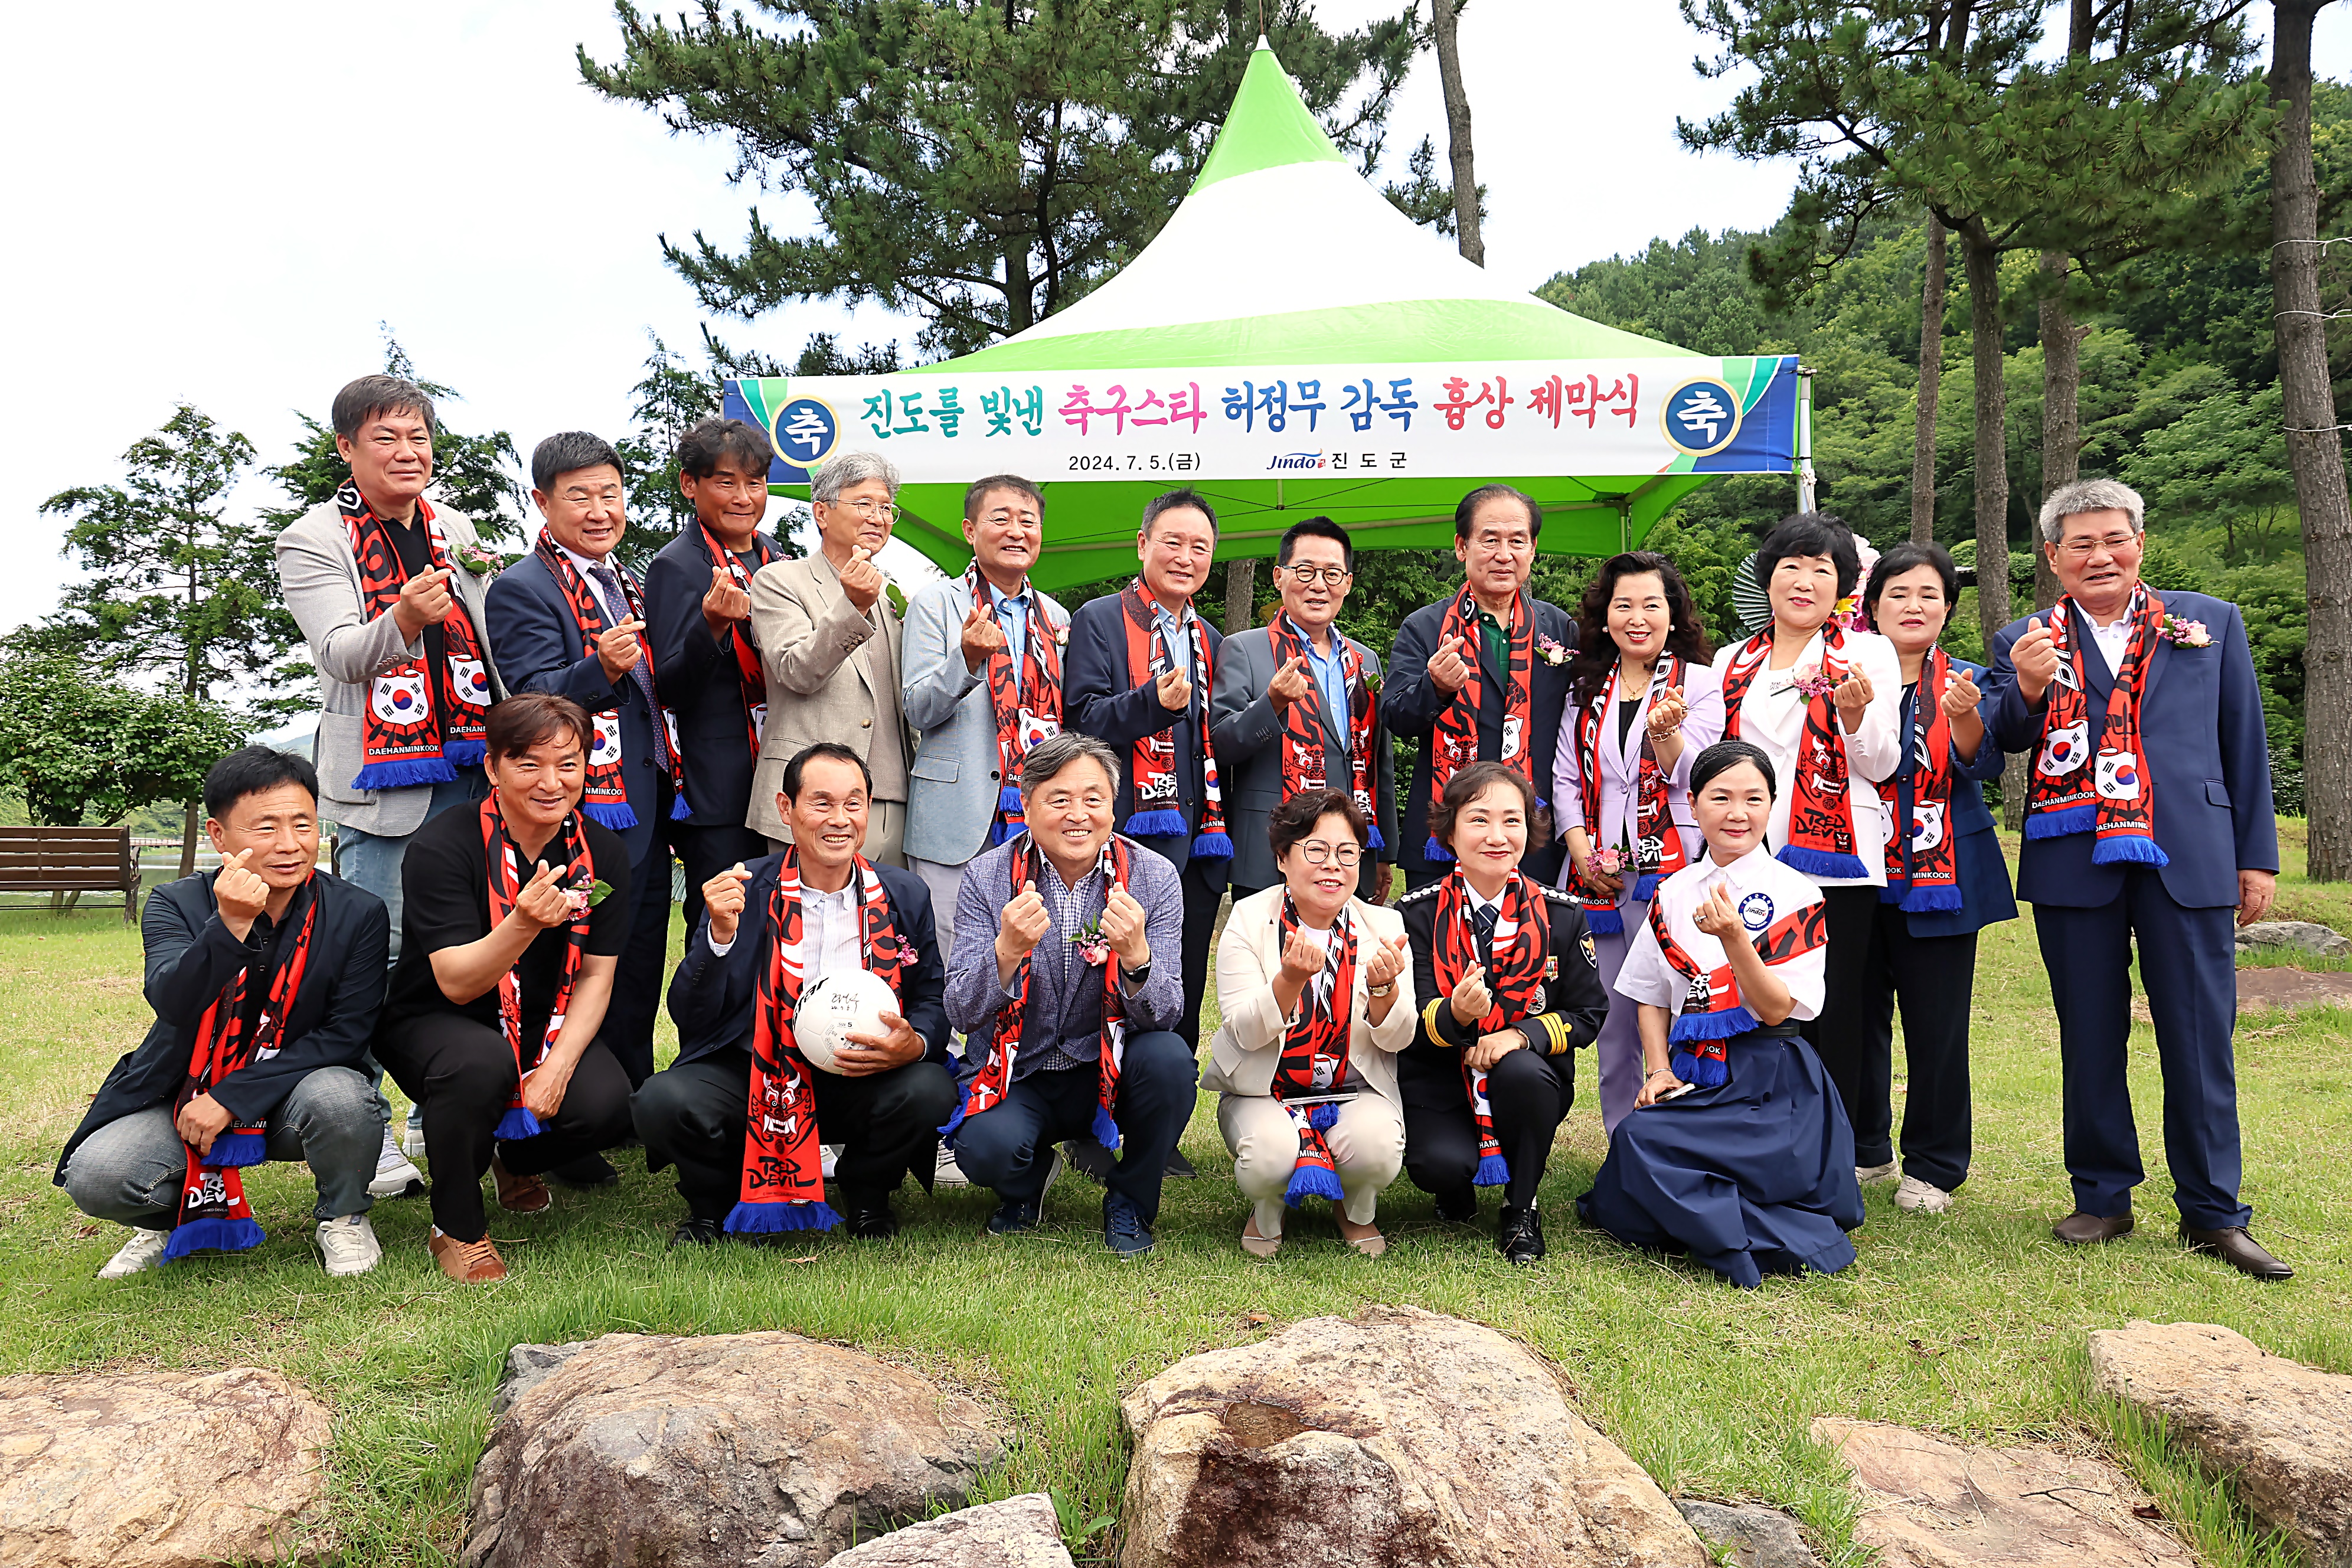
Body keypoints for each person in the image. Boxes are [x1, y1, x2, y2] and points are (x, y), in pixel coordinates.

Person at [1982, 478, 2288, 1279]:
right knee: (2090, 1033)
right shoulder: (2026, 636)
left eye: (2113, 538)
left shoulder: (2208, 623)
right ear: (2052, 558)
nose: (2100, 555)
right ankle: (2102, 1195)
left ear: (2140, 543)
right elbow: (2004, 740)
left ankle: (2214, 1212)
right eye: (2079, 544)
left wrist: (2256, 855)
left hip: (2190, 850)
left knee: (2199, 1036)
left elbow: (2243, 739)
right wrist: (2024, 685)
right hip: (2070, 855)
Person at [275, 372, 506, 1197]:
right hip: (383, 786)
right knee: (376, 956)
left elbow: (488, 639)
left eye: (418, 438)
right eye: (386, 439)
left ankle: (442, 1111)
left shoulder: (456, 525)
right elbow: (339, 653)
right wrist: (404, 617)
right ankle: (364, 1131)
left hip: (474, 772)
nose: (408, 454)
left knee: (474, 952)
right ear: (346, 449)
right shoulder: (312, 539)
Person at [57, 748, 390, 1280]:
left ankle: (344, 1216)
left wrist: (232, 1098)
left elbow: (346, 1035)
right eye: (265, 828)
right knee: (100, 1176)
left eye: (302, 824)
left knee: (344, 1097)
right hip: (184, 1092)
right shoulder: (177, 903)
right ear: (219, 836)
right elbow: (174, 1003)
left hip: (294, 1095)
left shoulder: (357, 913)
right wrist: (230, 926)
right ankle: (170, 1218)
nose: (289, 845)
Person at [634, 743, 955, 1246]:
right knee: (663, 1100)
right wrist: (719, 934)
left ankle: (868, 1193)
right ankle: (712, 1203)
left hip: (857, 1071)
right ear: (786, 810)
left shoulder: (903, 893)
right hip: (755, 1067)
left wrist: (913, 1044)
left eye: (854, 803)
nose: (840, 819)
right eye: (821, 803)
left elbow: (932, 998)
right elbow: (688, 1013)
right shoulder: (744, 887)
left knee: (930, 1088)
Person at [1577, 739, 1866, 1289]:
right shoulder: (1671, 892)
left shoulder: (1797, 893)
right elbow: (1649, 995)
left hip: (1772, 1080)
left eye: (1754, 799)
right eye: (1721, 798)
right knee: (1636, 1140)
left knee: (1648, 1159)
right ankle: (1741, 1213)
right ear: (1693, 803)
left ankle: (1742, 1224)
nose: (1738, 814)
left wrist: (1736, 937)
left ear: (1772, 806)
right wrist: (1659, 1069)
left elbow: (1779, 1006)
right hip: (1695, 1073)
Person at [373, 694, 638, 1283]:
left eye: (568, 764)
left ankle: (513, 1155)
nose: (552, 781)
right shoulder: (445, 845)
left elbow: (597, 974)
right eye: (529, 764)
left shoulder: (603, 853)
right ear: (493, 768)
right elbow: (457, 980)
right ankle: (458, 1227)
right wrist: (521, 923)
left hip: (542, 1024)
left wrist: (560, 1066)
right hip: (435, 1018)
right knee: (481, 1065)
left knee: (607, 1104)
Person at [940, 733, 1197, 1257]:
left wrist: (1137, 960)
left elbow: (1167, 1012)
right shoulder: (988, 876)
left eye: (1093, 799)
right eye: (1059, 799)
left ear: (1113, 806)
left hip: (1107, 1068)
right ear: (1028, 805)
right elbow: (961, 1010)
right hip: (1017, 1071)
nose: (1077, 815)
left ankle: (1130, 1202)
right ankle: (1028, 1179)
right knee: (986, 1149)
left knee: (1170, 1063)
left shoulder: (1154, 876)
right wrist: (1006, 954)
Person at [483, 432, 680, 1102]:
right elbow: (533, 694)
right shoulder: (521, 587)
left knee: (640, 949)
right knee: (578, 952)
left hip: (648, 793)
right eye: (580, 497)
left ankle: (628, 1090)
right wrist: (602, 667)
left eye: (611, 494)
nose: (600, 510)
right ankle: (574, 1097)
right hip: (582, 804)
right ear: (542, 502)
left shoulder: (630, 580)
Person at [1711, 512, 1903, 1184]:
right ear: (1768, 578)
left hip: (1837, 857)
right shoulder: (1731, 661)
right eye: (1793, 564)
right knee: (1744, 995)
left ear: (1844, 586)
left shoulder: (1868, 652)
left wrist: (1854, 715)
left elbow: (1881, 762)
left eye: (1824, 568)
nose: (1806, 579)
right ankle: (1754, 1136)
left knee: (1831, 1006)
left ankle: (1833, 1155)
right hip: (1746, 853)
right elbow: (1709, 763)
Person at [1850, 542, 2017, 1215]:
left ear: (1948, 608)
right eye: (1898, 594)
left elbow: (1986, 766)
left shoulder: (1970, 677)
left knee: (1937, 1023)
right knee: (1855, 1016)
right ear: (1872, 607)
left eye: (1928, 595)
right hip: (1856, 867)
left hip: (1947, 871)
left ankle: (1935, 1163)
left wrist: (1965, 715)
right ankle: (1864, 1147)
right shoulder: (1844, 674)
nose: (1913, 606)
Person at [1396, 761, 1607, 1263]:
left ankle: (1521, 1207)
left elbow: (1589, 1013)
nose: (1497, 836)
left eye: (1512, 820)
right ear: (1449, 831)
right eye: (1479, 819)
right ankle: (1458, 1183)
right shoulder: (1415, 914)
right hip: (1441, 1077)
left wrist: (1520, 1035)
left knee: (1520, 1071)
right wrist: (1456, 1017)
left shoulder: (1561, 913)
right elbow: (1407, 1024)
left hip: (1527, 1077)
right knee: (1439, 1167)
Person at [1553, 551, 1724, 1135]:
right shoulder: (1584, 689)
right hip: (1603, 880)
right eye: (1623, 604)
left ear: (1673, 616)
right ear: (1605, 617)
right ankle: (1624, 1145)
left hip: (1678, 873)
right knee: (1617, 1021)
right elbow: (1566, 778)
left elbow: (1701, 777)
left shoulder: (1700, 684)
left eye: (1652, 604)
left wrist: (1668, 736)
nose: (1638, 616)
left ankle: (1687, 1140)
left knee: (1687, 1008)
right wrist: (1578, 848)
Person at [1207, 789, 1413, 1258]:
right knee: (1268, 1158)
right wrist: (1289, 981)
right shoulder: (1250, 918)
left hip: (1350, 1088)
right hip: (1266, 1089)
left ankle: (1356, 1209)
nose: (1332, 866)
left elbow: (1401, 1037)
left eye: (1346, 853)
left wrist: (1384, 992)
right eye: (1316, 850)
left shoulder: (1384, 925)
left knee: (1379, 1148)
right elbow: (1243, 1030)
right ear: (1283, 858)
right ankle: (1267, 1206)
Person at [1064, 487, 1233, 1054]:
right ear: (1143, 545)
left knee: (1180, 982)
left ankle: (1166, 1122)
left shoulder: (1208, 637)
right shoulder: (1101, 620)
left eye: (1201, 547)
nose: (1186, 557)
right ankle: (1097, 1115)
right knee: (1110, 978)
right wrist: (1152, 703)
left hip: (1198, 839)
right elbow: (1081, 721)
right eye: (1173, 542)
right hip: (1127, 835)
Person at [900, 474, 1070, 962]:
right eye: (1001, 519)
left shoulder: (1056, 618)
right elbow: (917, 707)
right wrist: (968, 660)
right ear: (970, 531)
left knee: (1033, 955)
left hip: (1035, 810)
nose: (1017, 531)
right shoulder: (937, 604)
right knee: (947, 956)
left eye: (1028, 521)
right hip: (957, 812)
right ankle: (944, 1044)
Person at [1383, 485, 1577, 891]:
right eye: (1489, 540)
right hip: (1444, 827)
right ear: (1461, 546)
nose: (1504, 554)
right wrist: (1434, 687)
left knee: (1529, 950)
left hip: (1532, 830)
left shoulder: (1559, 628)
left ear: (1533, 549)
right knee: (1440, 952)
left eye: (1517, 541)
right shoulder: (1425, 627)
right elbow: (1396, 719)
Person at [644, 416, 786, 940]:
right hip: (718, 792)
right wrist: (712, 626)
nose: (744, 496)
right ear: (690, 485)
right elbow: (670, 688)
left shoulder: (775, 556)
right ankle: (710, 1024)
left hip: (781, 772)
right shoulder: (677, 566)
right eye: (726, 482)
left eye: (755, 482)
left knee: (778, 924)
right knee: (721, 926)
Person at [1209, 516, 1397, 905]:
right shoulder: (1244, 649)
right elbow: (1220, 745)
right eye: (1306, 570)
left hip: (1348, 852)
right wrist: (1272, 703)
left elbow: (1380, 759)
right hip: (1269, 852)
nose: (1318, 585)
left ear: (1347, 583)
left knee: (1344, 964)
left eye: (1332, 573)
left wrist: (1384, 852)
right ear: (1279, 576)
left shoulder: (1365, 660)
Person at [747, 450, 912, 866]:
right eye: (864, 504)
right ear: (821, 513)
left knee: (887, 929)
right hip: (812, 801)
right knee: (804, 927)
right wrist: (852, 607)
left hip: (894, 800)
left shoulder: (895, 594)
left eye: (886, 507)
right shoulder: (779, 581)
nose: (878, 517)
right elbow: (795, 670)